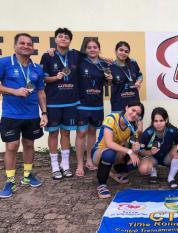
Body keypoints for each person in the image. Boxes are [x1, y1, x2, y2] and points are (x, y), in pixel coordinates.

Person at [0, 33, 48, 198]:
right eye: (22, 43)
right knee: (12, 146)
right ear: (15, 46)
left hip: (31, 115)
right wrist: (13, 91)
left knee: (29, 145)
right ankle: (10, 181)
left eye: (29, 44)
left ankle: (27, 176)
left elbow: (41, 92)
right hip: (11, 114)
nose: (26, 46)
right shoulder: (4, 63)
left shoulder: (37, 69)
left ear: (32, 48)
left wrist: (44, 113)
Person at [40, 28, 82, 179]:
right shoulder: (47, 56)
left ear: (70, 41)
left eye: (66, 37)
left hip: (71, 102)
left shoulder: (75, 55)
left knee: (66, 133)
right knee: (53, 133)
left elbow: (93, 56)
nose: (63, 38)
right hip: (53, 102)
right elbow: (43, 79)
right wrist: (55, 78)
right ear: (55, 40)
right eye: (60, 36)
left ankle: (65, 165)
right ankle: (54, 166)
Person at [75, 38, 112, 176]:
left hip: (97, 104)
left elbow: (107, 84)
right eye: (89, 47)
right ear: (85, 49)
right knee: (81, 133)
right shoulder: (80, 61)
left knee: (92, 133)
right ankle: (79, 164)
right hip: (82, 104)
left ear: (99, 49)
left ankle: (89, 160)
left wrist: (109, 80)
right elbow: (73, 53)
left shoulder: (103, 65)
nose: (92, 49)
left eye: (95, 47)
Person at [92, 101, 144, 198]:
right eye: (133, 110)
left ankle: (115, 172)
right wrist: (129, 151)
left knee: (135, 162)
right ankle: (101, 184)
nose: (134, 114)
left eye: (137, 114)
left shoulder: (132, 126)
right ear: (127, 107)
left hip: (115, 152)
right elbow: (109, 143)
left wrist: (135, 147)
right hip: (99, 152)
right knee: (109, 154)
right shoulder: (111, 118)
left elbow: (131, 145)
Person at [138, 107, 178, 184]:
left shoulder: (173, 130)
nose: (158, 124)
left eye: (161, 120)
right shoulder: (147, 133)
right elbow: (141, 152)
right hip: (152, 159)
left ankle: (171, 178)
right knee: (143, 169)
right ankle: (153, 170)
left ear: (166, 120)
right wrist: (150, 152)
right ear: (152, 121)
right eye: (156, 121)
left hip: (167, 158)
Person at [110, 41, 143, 113]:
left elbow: (140, 76)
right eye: (121, 50)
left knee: (135, 124)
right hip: (118, 105)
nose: (123, 53)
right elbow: (107, 83)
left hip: (134, 103)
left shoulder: (133, 63)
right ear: (116, 51)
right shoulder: (111, 66)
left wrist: (138, 82)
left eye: (126, 51)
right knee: (119, 124)